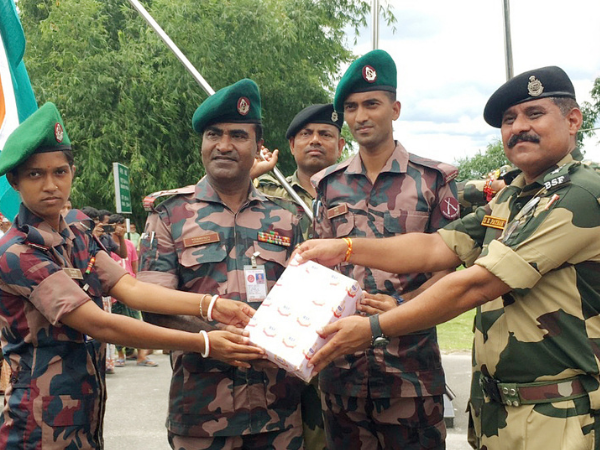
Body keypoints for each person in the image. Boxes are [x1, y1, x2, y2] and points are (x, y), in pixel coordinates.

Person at [296, 66, 600, 450]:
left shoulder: (578, 195)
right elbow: (435, 246)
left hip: (560, 412)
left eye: (534, 114)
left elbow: (476, 284)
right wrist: (346, 247)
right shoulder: (513, 196)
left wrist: (375, 327)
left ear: (573, 120)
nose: (519, 127)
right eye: (509, 119)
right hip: (504, 407)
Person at [0, 102, 265, 449]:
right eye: (36, 174)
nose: (51, 185)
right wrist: (204, 342)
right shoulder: (17, 252)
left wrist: (212, 305)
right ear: (14, 181)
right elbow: (101, 324)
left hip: (84, 413)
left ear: (72, 173)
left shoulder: (78, 234)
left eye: (59, 172)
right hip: (36, 423)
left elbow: (131, 288)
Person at [138, 79, 306, 450]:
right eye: (214, 134)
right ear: (202, 142)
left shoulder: (286, 218)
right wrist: (211, 339)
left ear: (258, 146)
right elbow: (151, 306)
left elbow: (304, 304)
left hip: (277, 414)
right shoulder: (170, 216)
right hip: (200, 415)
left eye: (238, 135)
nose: (224, 145)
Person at [309, 49, 459, 449]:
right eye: (352, 107)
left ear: (394, 108)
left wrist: (405, 306)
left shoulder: (432, 180)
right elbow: (316, 273)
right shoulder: (328, 185)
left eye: (372, 104)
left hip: (410, 370)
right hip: (341, 373)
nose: (361, 116)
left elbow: (451, 265)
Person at [254, 103, 345, 450]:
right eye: (305, 134)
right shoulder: (263, 193)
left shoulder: (358, 194)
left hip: (339, 338)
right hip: (282, 336)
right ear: (291, 146)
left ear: (340, 146)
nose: (315, 141)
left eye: (326, 134)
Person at [107, 213, 157, 367]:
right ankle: (121, 354)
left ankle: (142, 356)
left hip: (130, 288)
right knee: (118, 322)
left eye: (122, 225)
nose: (120, 228)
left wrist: (136, 282)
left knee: (137, 320)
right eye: (117, 225)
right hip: (114, 290)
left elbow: (134, 265)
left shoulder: (128, 244)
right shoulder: (106, 244)